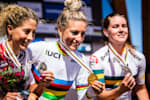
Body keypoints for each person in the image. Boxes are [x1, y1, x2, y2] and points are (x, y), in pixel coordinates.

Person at [28, 0, 105, 99]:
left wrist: (90, 92)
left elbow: (83, 98)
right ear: (60, 30)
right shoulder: (40, 48)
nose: (79, 39)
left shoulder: (81, 60)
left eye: (82, 34)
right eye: (74, 32)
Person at [90, 13, 149, 100]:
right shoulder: (97, 58)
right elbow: (101, 96)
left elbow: (141, 88)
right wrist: (120, 90)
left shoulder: (139, 58)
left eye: (124, 26)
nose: (121, 30)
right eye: (115, 26)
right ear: (106, 32)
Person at [0, 4, 54, 100]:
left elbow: (31, 89)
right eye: (26, 31)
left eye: (33, 33)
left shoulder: (25, 54)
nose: (30, 38)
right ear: (10, 29)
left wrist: (42, 84)